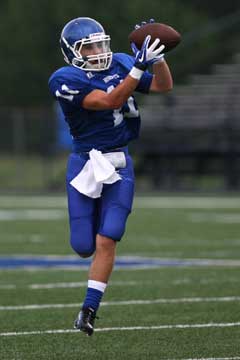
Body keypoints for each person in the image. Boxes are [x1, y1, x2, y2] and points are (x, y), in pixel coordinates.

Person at [48, 16, 173, 336]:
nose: (98, 50)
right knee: (82, 246)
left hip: (119, 162)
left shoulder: (120, 62)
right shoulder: (64, 78)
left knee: (109, 236)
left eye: (101, 42)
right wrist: (137, 68)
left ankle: (88, 311)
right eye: (88, 46)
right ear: (72, 52)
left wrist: (157, 61)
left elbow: (162, 85)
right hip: (84, 164)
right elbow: (109, 100)